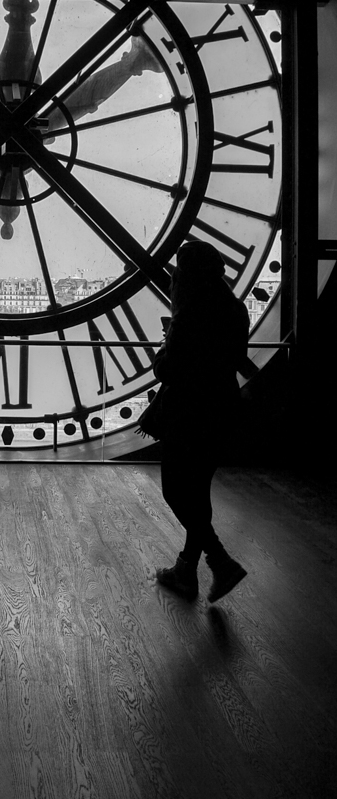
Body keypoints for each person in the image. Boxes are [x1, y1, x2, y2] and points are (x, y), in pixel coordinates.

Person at [153, 241, 250, 603]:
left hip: (186, 414)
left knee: (177, 491)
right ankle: (187, 569)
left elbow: (169, 369)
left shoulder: (189, 314)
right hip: (221, 409)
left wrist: (162, 351)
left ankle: (218, 560)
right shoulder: (234, 310)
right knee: (197, 491)